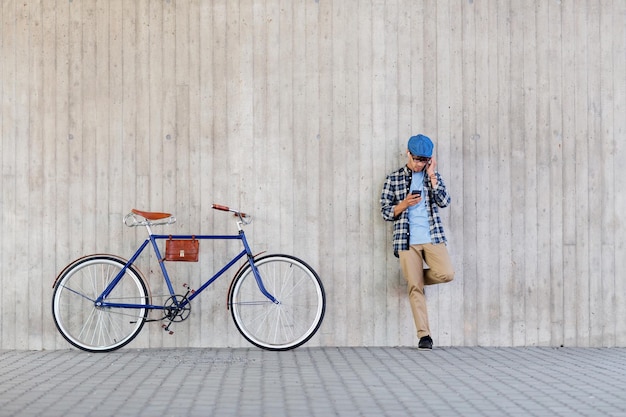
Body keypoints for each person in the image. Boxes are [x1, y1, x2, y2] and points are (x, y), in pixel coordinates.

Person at [380, 134, 455, 350]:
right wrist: (403, 204)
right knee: (415, 289)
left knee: (446, 273)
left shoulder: (432, 176)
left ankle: (414, 278)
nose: (419, 164)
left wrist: (432, 176)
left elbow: (444, 201)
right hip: (407, 241)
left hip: (432, 237)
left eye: (424, 161)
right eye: (416, 159)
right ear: (408, 153)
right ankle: (425, 336)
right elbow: (385, 212)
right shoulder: (393, 179)